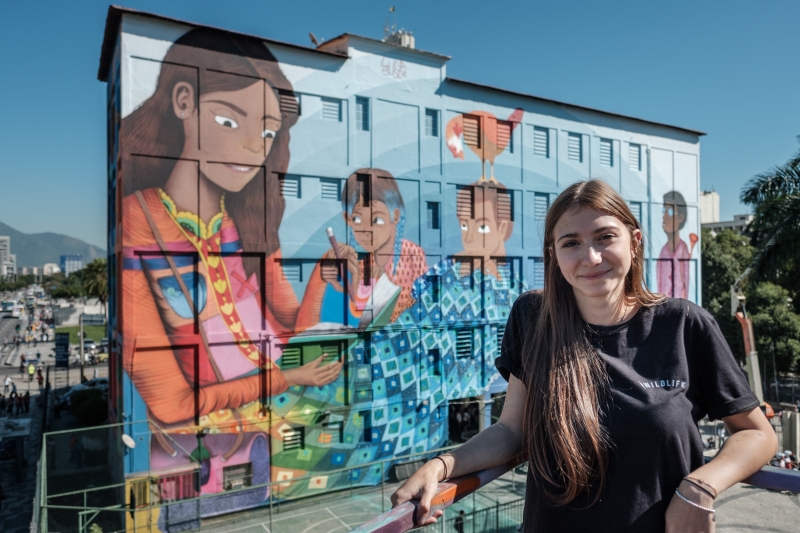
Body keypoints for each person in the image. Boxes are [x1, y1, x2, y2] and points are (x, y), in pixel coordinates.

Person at [392, 180, 777, 532]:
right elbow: (512, 431)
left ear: (635, 241)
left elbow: (757, 433)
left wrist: (700, 486)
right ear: (554, 254)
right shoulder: (533, 318)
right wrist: (441, 466)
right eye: (571, 243)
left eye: (605, 237)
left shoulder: (683, 324)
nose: (590, 257)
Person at [120, 28, 342, 499]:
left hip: (275, 435)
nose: (253, 147)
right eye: (229, 121)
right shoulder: (140, 221)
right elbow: (171, 403)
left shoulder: (249, 222)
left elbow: (291, 333)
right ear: (184, 101)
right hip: (196, 456)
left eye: (266, 131)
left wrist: (322, 278)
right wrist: (287, 377)